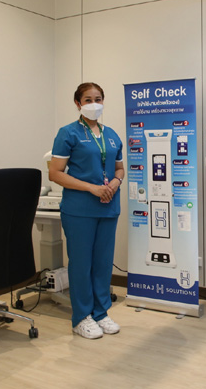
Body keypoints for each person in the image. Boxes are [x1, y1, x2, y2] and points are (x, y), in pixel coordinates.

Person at [49, 82, 125, 339]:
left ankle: (101, 313)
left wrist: (115, 183)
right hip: (79, 209)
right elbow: (55, 173)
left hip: (108, 207)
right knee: (81, 264)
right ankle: (81, 317)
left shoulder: (111, 135)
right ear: (78, 103)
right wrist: (91, 188)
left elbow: (119, 168)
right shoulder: (68, 133)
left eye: (98, 99)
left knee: (102, 264)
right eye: (88, 99)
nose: (94, 104)